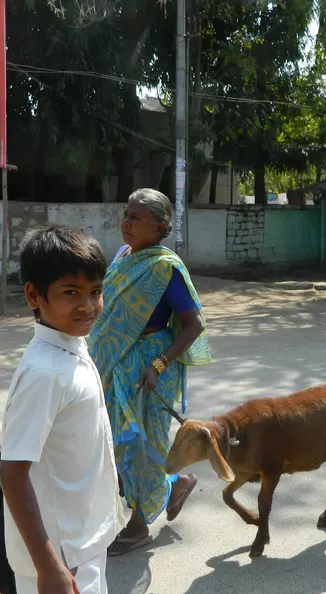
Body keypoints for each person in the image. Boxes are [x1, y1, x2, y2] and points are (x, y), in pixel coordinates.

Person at [0, 225, 120, 594]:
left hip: (66, 541)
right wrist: (51, 566)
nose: (87, 306)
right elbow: (13, 473)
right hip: (65, 552)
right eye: (70, 293)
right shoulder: (47, 372)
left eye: (94, 291)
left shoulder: (68, 348)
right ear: (34, 296)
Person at [89, 189, 210, 556]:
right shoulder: (123, 256)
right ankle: (175, 485)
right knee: (119, 442)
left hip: (150, 366)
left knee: (143, 444)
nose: (125, 222)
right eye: (125, 214)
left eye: (136, 218)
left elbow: (194, 325)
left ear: (158, 228)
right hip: (115, 363)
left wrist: (159, 364)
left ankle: (140, 525)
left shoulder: (165, 268)